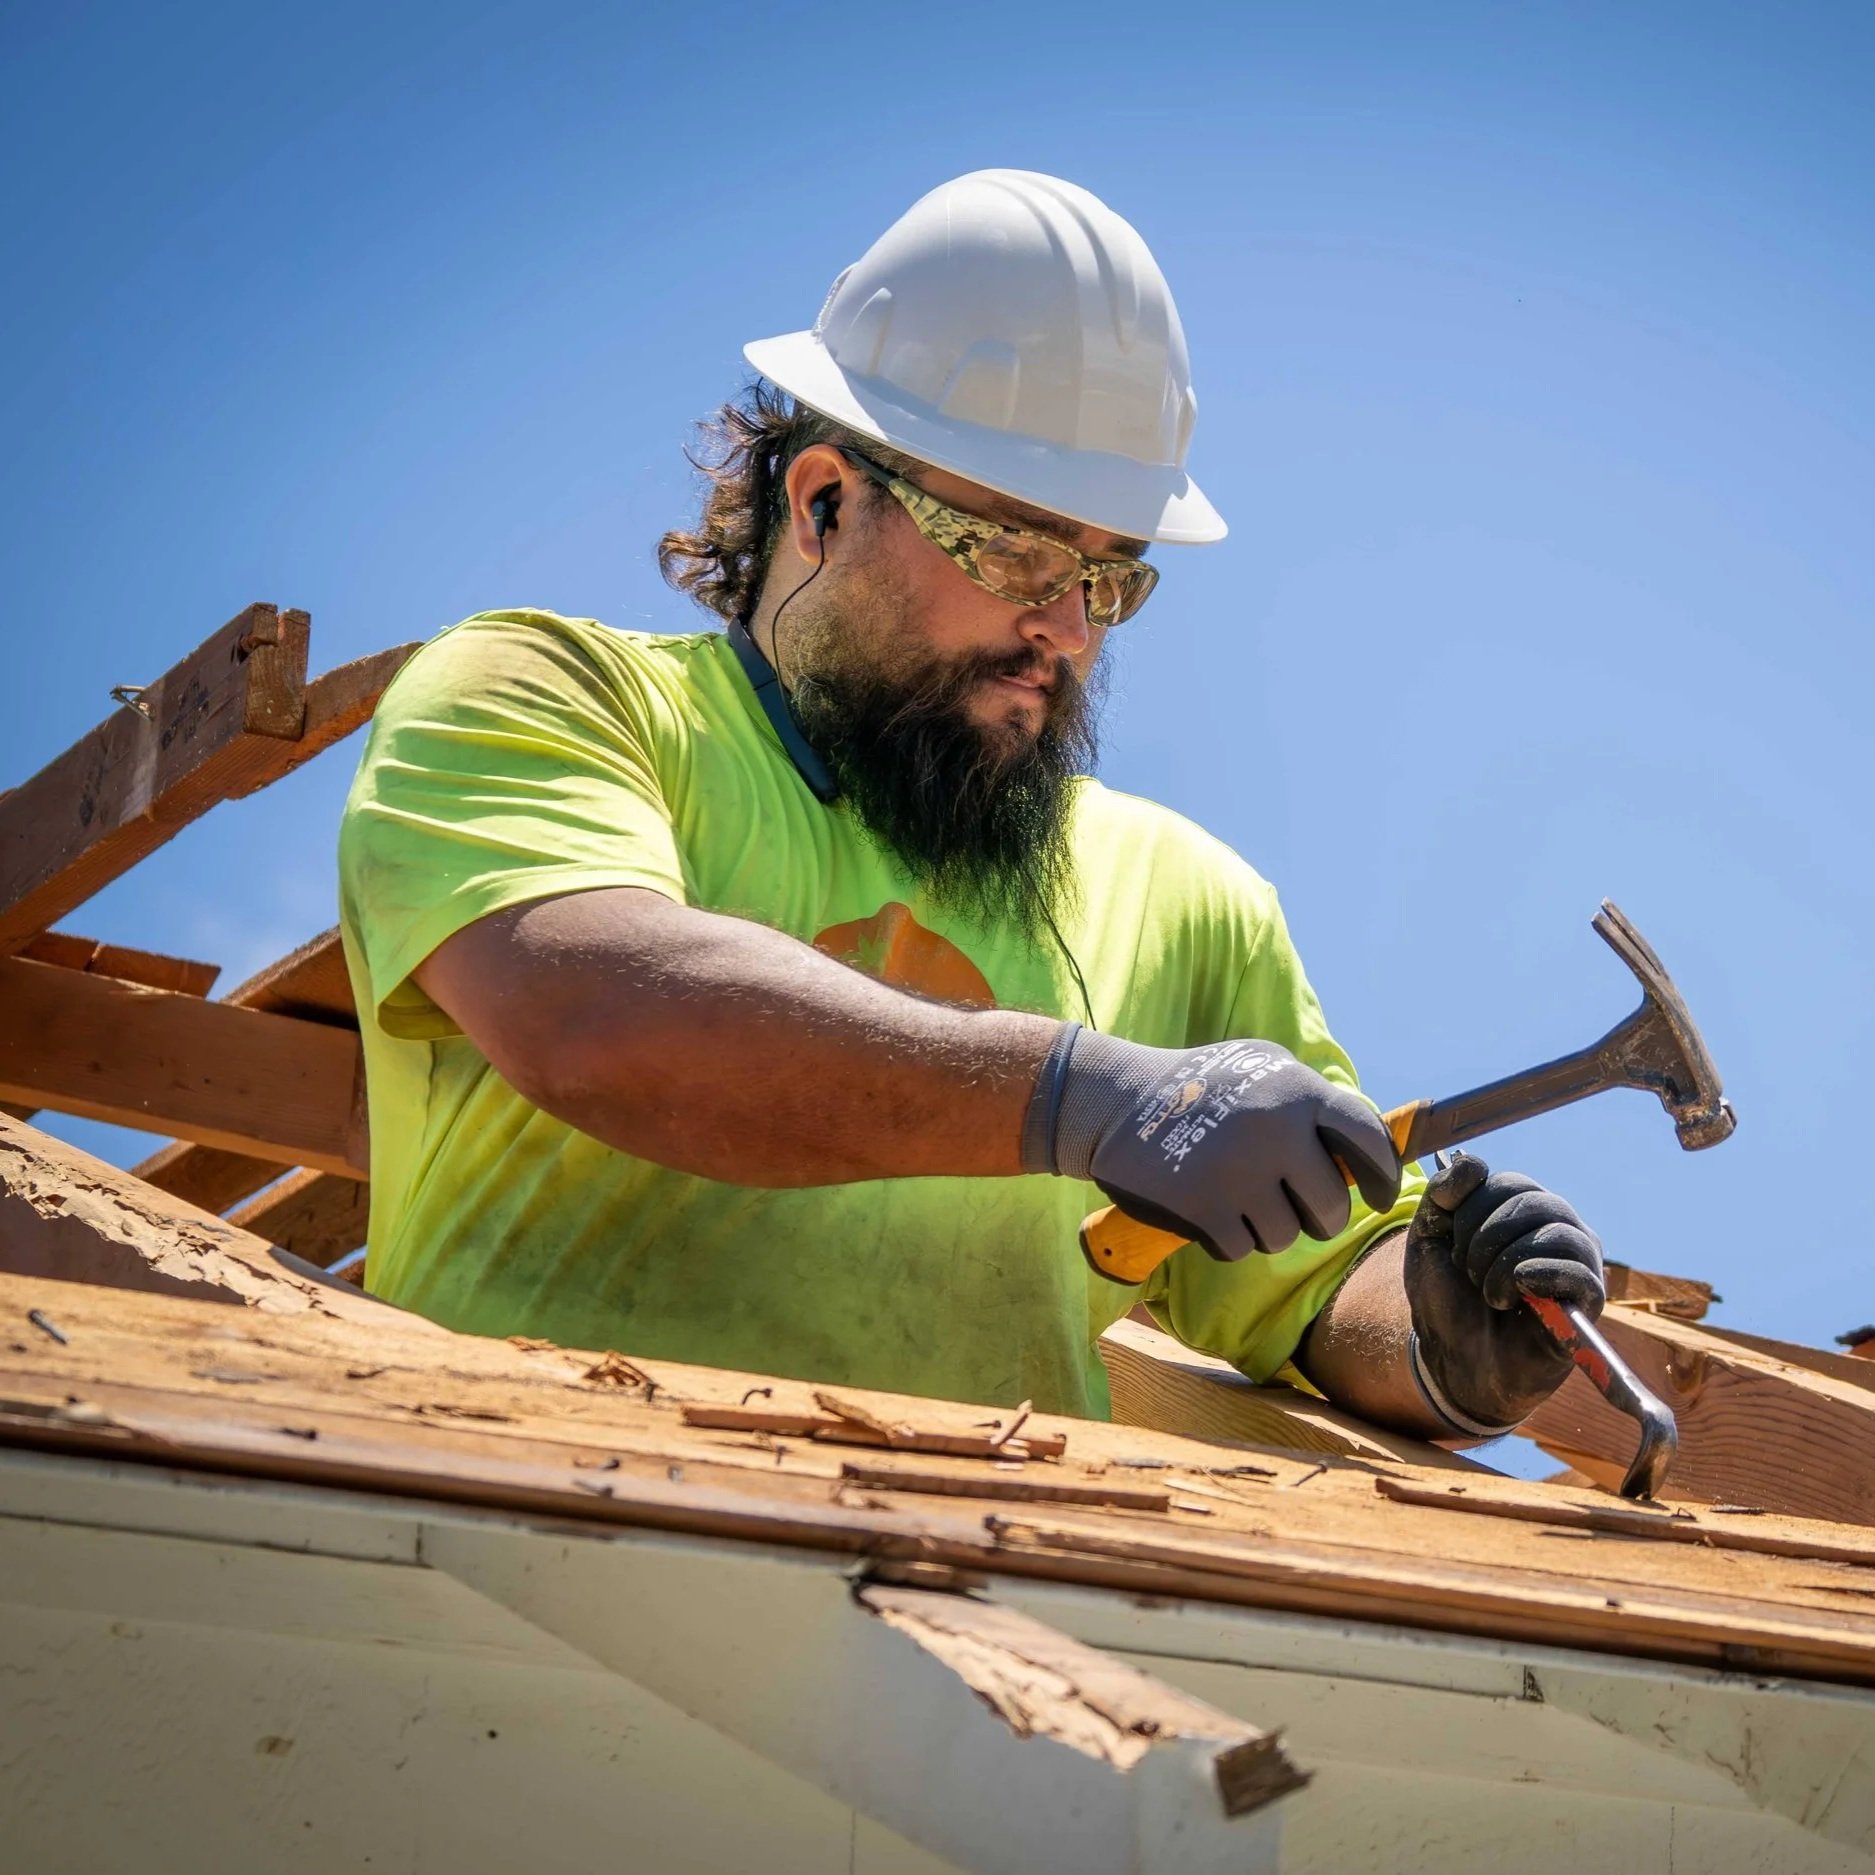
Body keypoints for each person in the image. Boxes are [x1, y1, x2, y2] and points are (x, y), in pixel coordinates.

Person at [337, 169, 1604, 1441]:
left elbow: (1311, 1284)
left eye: (1108, 580)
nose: (1061, 625)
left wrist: (1444, 1333)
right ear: (823, 499)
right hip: (520, 1525)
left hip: (976, 1571)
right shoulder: (552, 696)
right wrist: (1087, 1101)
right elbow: (592, 1011)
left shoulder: (1185, 900)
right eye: (1014, 551)